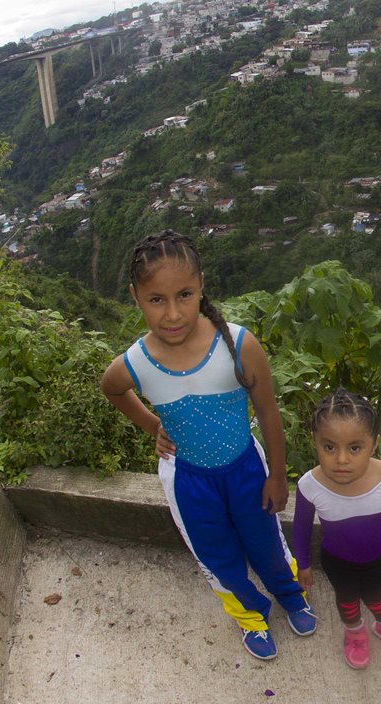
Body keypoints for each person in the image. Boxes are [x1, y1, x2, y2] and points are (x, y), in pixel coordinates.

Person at [100, 230, 315, 662]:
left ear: (201, 285)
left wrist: (276, 475)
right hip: (188, 481)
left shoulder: (237, 344)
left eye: (184, 295)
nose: (173, 313)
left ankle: (289, 594)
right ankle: (251, 615)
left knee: (265, 540)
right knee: (215, 554)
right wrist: (152, 425)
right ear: (135, 297)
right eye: (156, 299)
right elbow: (113, 389)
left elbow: (268, 412)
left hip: (245, 469)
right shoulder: (136, 362)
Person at [291, 389, 381, 669]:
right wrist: (302, 564)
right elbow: (301, 529)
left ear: (373, 445)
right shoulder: (310, 486)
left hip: (378, 558)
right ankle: (354, 631)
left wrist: (378, 521)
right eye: (329, 447)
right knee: (347, 600)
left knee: (378, 594)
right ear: (315, 442)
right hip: (338, 561)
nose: (341, 459)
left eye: (354, 448)